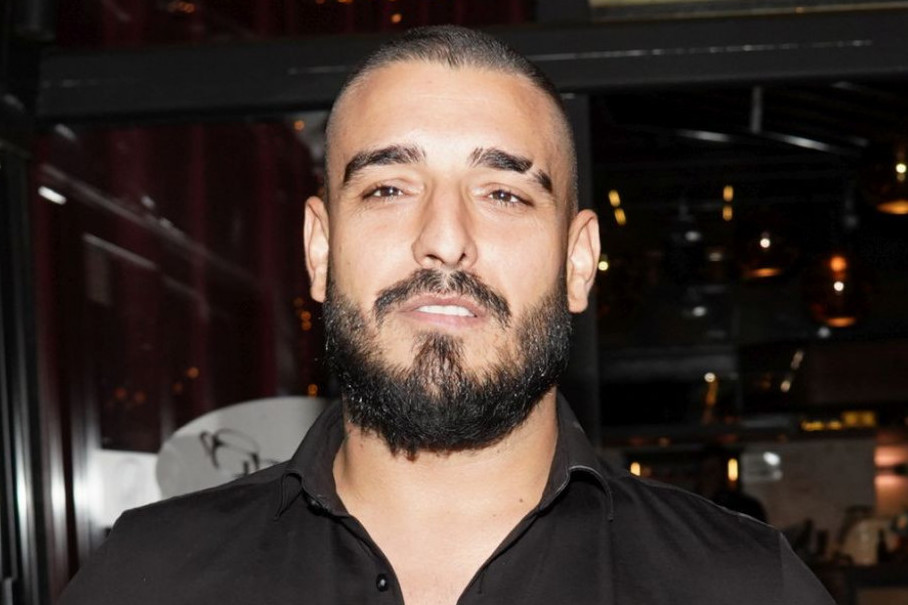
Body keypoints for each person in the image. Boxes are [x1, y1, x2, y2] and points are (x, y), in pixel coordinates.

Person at [59, 25, 834, 605]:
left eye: (504, 193)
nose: (445, 237)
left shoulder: (742, 586)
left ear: (578, 260)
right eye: (389, 188)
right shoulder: (147, 579)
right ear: (320, 249)